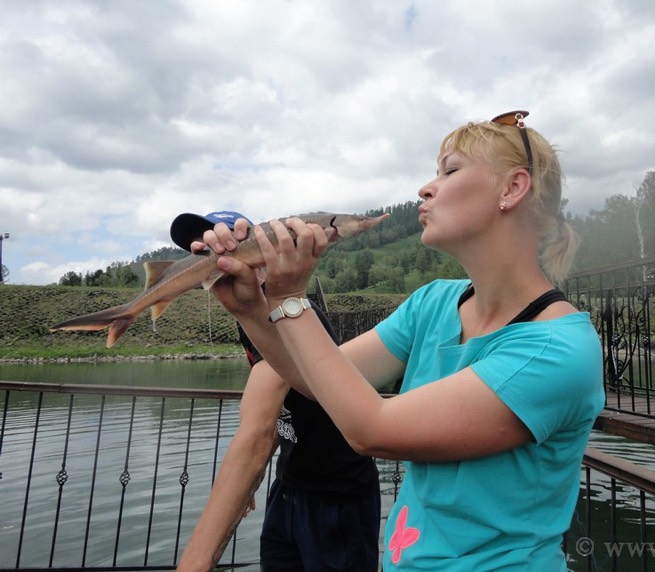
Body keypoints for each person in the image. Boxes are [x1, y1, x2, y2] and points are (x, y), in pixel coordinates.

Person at [199, 110, 606, 570]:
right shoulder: (433, 303)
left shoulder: (557, 350)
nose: (425, 188)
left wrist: (290, 298)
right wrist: (253, 309)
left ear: (512, 189)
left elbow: (373, 429)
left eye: (450, 171)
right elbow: (311, 381)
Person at [170, 211, 380, 572]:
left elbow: (258, 431)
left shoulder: (293, 316)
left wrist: (195, 562)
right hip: (290, 484)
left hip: (337, 496)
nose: (216, 258)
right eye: (204, 251)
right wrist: (249, 482)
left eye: (227, 247)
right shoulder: (249, 314)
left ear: (260, 253)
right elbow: (273, 409)